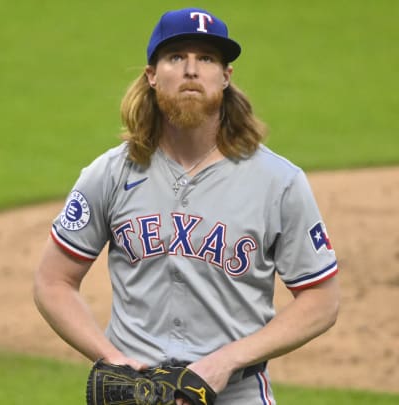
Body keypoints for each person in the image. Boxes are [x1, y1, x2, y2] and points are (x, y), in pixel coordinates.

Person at [33, 7, 340, 405]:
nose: (191, 70)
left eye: (207, 59)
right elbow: (52, 281)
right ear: (152, 75)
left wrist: (224, 362)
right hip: (137, 396)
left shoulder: (278, 182)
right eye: (176, 57)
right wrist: (112, 360)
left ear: (226, 77)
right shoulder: (109, 173)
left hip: (235, 394)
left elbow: (321, 299)